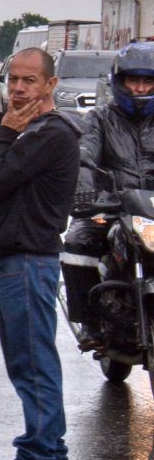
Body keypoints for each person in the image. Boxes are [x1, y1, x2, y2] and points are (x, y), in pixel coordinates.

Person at [0, 48, 80, 460]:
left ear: (50, 85)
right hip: (16, 262)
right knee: (29, 361)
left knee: (33, 363)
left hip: (27, 263)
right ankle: (49, 456)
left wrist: (2, 135)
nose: (18, 88)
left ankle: (37, 459)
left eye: (29, 81)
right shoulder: (32, 130)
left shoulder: (47, 134)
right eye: (13, 79)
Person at [61, 42, 154, 349]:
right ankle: (89, 322)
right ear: (120, 81)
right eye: (133, 81)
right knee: (77, 242)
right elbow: (85, 154)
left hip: (152, 208)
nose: (140, 88)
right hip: (114, 205)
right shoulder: (100, 118)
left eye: (147, 81)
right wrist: (85, 193)